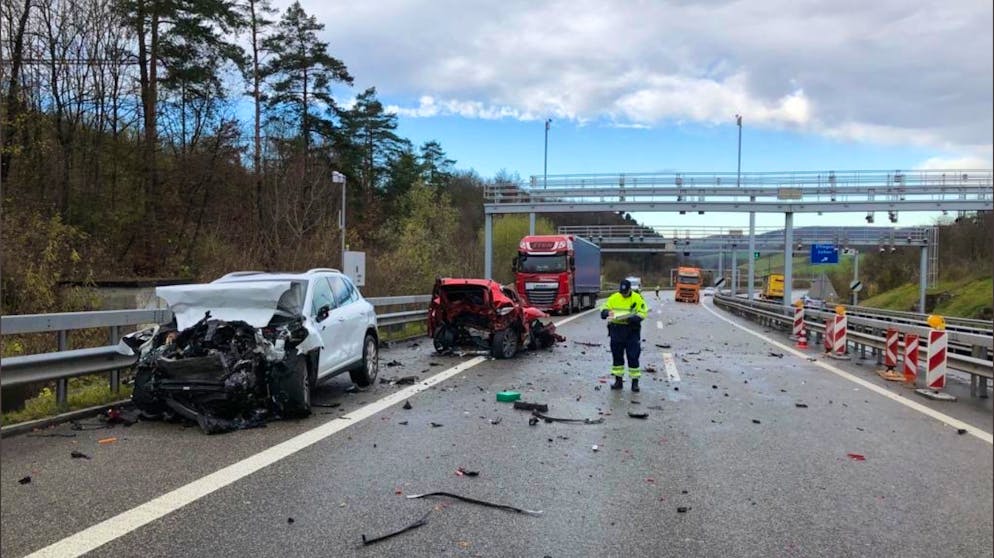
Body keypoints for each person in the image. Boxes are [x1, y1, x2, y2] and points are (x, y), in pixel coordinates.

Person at [600, 279, 649, 392]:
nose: (623, 294)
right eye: (622, 292)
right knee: (617, 357)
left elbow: (643, 313)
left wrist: (631, 318)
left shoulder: (637, 298)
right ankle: (618, 381)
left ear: (629, 290)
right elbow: (603, 308)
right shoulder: (614, 297)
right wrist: (606, 312)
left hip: (631, 331)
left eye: (625, 292)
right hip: (616, 330)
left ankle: (635, 383)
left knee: (633, 356)